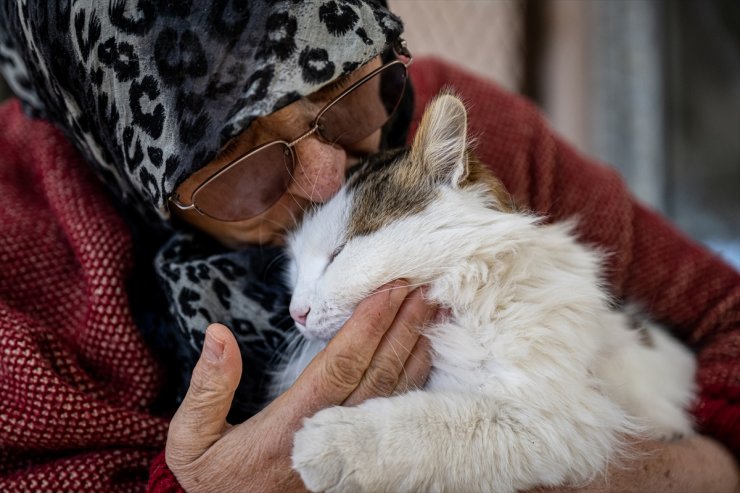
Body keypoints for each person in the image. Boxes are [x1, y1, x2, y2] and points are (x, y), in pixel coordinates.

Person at [0, 2, 738, 492]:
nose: (329, 180)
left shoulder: (460, 124)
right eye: (243, 163)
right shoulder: (22, 246)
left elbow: (725, 318)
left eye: (343, 93)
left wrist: (598, 459)